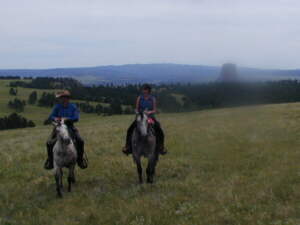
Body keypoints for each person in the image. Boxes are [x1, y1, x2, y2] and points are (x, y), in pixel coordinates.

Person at [44, 90, 87, 170]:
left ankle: (80, 160)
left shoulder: (73, 107)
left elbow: (76, 118)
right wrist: (56, 118)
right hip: (59, 128)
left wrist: (67, 119)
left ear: (68, 98)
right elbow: (51, 116)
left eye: (64, 98)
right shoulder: (57, 107)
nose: (62, 100)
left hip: (70, 127)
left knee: (80, 141)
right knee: (49, 143)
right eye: (61, 98)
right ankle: (50, 161)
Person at [122, 84, 167, 155]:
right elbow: (136, 108)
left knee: (159, 130)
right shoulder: (139, 98)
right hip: (140, 116)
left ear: (148, 91)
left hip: (150, 117)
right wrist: (137, 112)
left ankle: (161, 147)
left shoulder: (152, 99)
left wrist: (149, 112)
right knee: (129, 129)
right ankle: (128, 147)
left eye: (145, 90)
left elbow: (154, 110)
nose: (144, 91)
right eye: (143, 89)